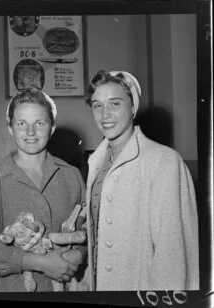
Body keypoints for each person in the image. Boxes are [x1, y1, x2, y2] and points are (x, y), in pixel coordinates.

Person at [84, 70, 199, 291]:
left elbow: (172, 254)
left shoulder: (164, 161)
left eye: (115, 103)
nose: (104, 114)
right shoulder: (96, 163)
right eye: (97, 105)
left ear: (133, 107)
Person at [0, 88, 87, 292]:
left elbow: (87, 231)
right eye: (21, 123)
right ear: (10, 128)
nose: (31, 132)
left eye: (40, 123)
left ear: (52, 128)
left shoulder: (72, 175)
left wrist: (77, 255)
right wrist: (38, 262)